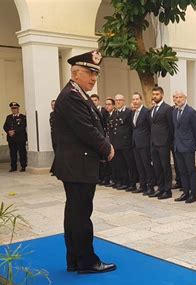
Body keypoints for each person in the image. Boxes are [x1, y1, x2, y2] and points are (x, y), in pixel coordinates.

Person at [51, 50, 116, 273]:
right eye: (90, 74)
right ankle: (87, 261)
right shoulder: (71, 95)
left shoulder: (77, 93)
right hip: (78, 164)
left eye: (95, 75)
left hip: (78, 164)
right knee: (80, 214)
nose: (93, 79)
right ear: (76, 73)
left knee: (75, 213)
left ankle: (75, 259)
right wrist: (106, 148)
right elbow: (86, 129)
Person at [172, 91, 196, 203]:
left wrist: (195, 144)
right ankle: (185, 191)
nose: (178, 99)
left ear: (185, 98)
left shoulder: (191, 112)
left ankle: (192, 194)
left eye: (180, 97)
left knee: (190, 170)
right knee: (182, 170)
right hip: (178, 146)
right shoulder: (174, 112)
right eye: (176, 97)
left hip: (188, 146)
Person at [149, 86, 174, 200]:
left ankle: (167, 190)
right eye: (153, 94)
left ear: (162, 95)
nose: (155, 96)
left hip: (163, 143)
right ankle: (160, 188)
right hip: (154, 142)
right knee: (157, 167)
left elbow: (171, 126)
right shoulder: (152, 109)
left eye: (157, 94)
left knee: (165, 167)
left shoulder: (167, 108)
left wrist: (169, 142)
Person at [131, 92, 155, 195]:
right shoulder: (133, 112)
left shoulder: (146, 112)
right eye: (133, 99)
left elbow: (150, 128)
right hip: (135, 143)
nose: (135, 101)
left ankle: (150, 187)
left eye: (137, 99)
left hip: (144, 143)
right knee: (139, 165)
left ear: (141, 100)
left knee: (146, 165)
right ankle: (142, 185)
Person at [113, 94, 138, 191]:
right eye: (116, 100)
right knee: (121, 164)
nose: (118, 102)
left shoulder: (128, 112)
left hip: (126, 143)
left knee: (130, 164)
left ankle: (132, 184)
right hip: (117, 143)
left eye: (120, 100)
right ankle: (125, 182)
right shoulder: (115, 113)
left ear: (123, 101)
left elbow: (131, 128)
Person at [91, 94, 112, 186]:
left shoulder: (103, 111)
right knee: (98, 159)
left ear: (98, 101)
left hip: (103, 137)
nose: (94, 102)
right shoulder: (90, 110)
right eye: (92, 100)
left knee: (105, 159)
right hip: (95, 137)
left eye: (95, 100)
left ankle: (106, 178)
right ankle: (99, 177)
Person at [3, 102, 27, 172]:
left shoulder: (22, 117)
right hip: (11, 138)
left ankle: (23, 166)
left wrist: (14, 131)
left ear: (18, 109)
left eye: (15, 108)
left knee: (22, 152)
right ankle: (13, 167)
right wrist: (9, 131)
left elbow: (23, 126)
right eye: (12, 109)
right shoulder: (9, 117)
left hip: (20, 138)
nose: (14, 110)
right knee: (13, 153)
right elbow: (5, 126)